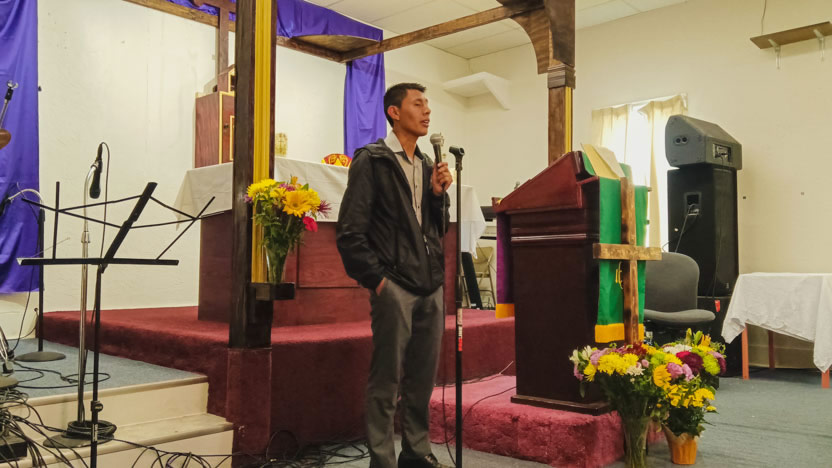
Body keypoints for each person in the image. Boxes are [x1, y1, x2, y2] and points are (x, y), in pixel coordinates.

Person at [336, 83, 453, 468]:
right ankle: (383, 460)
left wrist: (438, 195)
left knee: (422, 378)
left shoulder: (427, 164)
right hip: (394, 285)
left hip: (430, 285)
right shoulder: (372, 161)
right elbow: (350, 231)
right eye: (418, 104)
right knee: (386, 378)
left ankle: (416, 452)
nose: (427, 111)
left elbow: (438, 228)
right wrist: (378, 281)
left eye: (428, 104)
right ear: (394, 112)